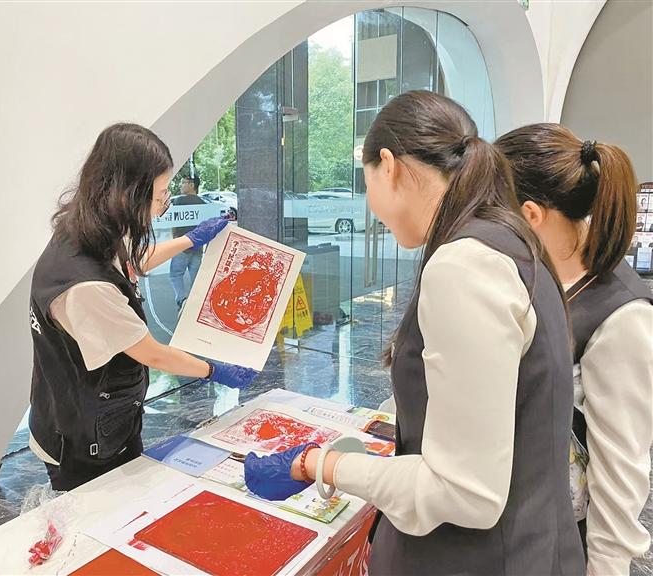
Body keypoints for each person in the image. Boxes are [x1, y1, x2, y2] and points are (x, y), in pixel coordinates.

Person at [244, 91, 585, 575]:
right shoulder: (506, 239)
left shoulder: (464, 264)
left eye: (366, 182)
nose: (372, 208)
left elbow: (464, 492)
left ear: (389, 166)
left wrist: (316, 463)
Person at [28, 124, 258, 491]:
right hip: (82, 435)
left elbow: (130, 264)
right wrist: (215, 370)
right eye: (161, 194)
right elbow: (152, 353)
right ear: (127, 194)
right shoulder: (85, 287)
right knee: (104, 511)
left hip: (104, 409)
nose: (164, 204)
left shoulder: (90, 229)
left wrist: (191, 239)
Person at [496, 124, 653, 576]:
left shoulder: (621, 314)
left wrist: (604, 567)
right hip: (516, 525)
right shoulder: (537, 274)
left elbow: (621, 470)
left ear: (530, 215)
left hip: (562, 543)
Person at [169, 174, 207, 310]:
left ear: (192, 185)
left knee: (176, 274)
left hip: (182, 244)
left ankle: (182, 300)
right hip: (197, 246)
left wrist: (174, 239)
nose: (181, 185)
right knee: (196, 276)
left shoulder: (179, 201)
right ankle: (196, 303)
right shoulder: (203, 204)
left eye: (183, 182)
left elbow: (174, 222)